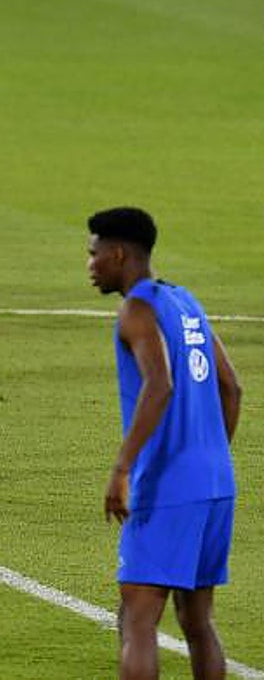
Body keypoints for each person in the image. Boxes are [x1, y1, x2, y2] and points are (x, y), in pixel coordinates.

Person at [87, 207, 240, 680]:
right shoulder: (185, 300)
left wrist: (122, 467)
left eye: (94, 256)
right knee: (198, 622)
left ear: (118, 254)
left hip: (168, 487)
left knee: (136, 618)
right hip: (215, 483)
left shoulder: (137, 308)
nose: (90, 266)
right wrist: (210, 454)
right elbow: (231, 387)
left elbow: (160, 384)